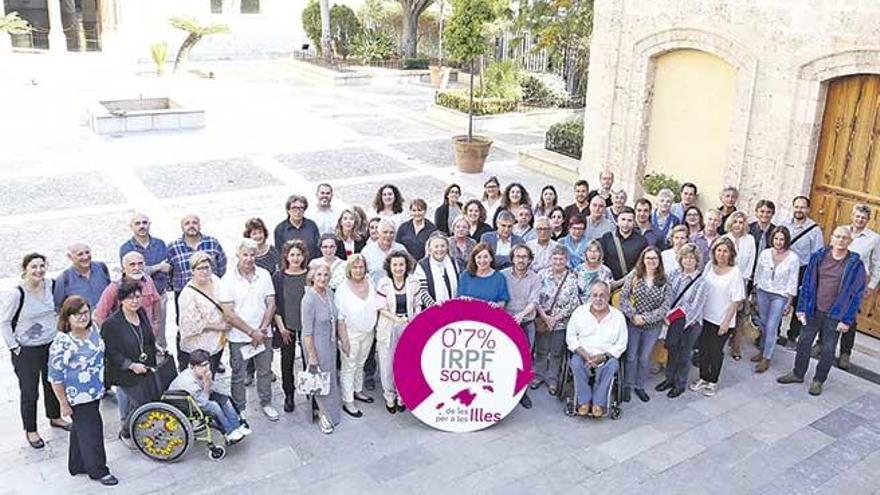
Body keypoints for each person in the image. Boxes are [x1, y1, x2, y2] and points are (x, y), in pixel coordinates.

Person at [778, 226, 867, 396]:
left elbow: (857, 295)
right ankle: (798, 373)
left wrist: (846, 320)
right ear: (832, 238)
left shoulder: (855, 264)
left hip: (835, 314)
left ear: (850, 241)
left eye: (844, 238)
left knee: (828, 349)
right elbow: (807, 284)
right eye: (837, 236)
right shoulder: (819, 257)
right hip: (813, 310)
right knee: (803, 342)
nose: (840, 240)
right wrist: (802, 307)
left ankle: (819, 380)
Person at [1, 253, 69, 449]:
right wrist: (15, 348)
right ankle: (31, 430)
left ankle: (55, 417)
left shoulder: (52, 285)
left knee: (53, 383)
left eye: (41, 266)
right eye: (33, 267)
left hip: (51, 344)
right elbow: (4, 323)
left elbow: (60, 310)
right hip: (27, 350)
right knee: (30, 392)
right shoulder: (17, 294)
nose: (38, 270)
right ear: (25, 269)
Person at [48, 296, 117, 486]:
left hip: (95, 389)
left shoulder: (93, 328)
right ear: (67, 318)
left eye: (86, 312)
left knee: (81, 429)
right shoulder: (61, 344)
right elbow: (55, 377)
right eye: (77, 315)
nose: (83, 317)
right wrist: (63, 404)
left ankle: (77, 464)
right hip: (78, 396)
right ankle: (98, 470)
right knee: (92, 430)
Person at [218, 239, 278, 422]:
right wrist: (252, 333)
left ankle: (266, 403)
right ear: (238, 255)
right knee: (238, 374)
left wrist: (262, 329)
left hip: (263, 333)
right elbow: (229, 314)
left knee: (265, 370)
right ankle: (240, 408)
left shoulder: (265, 274)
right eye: (245, 254)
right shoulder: (227, 280)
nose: (249, 258)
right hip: (239, 337)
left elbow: (271, 303)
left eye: (253, 254)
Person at [101, 280, 157, 443]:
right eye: (130, 298)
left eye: (138, 297)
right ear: (121, 300)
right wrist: (131, 365)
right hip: (124, 371)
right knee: (142, 402)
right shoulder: (111, 324)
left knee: (147, 397)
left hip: (144, 365)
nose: (135, 301)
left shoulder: (141, 313)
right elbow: (110, 351)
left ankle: (137, 424)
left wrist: (156, 347)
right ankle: (126, 432)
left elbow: (146, 337)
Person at [689, 238, 744, 397]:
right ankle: (703, 377)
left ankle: (712, 381)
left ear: (731, 253)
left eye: (725, 251)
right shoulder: (708, 266)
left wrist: (726, 322)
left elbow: (736, 300)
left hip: (722, 319)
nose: (721, 254)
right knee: (704, 349)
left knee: (715, 351)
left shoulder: (735, 272)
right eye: (719, 250)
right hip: (704, 316)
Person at [566, 280, 627, 417]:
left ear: (609, 295)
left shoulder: (618, 317)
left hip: (606, 357)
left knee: (613, 365)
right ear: (590, 296)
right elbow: (570, 338)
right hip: (583, 355)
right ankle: (584, 401)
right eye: (595, 295)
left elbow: (621, 343)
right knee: (574, 362)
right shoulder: (579, 312)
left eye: (602, 295)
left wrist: (604, 356)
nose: (598, 299)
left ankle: (599, 402)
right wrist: (584, 354)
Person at [619, 246, 671, 403]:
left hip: (652, 326)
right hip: (633, 323)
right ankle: (627, 384)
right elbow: (623, 297)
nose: (651, 261)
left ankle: (639, 385)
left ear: (659, 261)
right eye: (648, 258)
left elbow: (665, 306)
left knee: (644, 357)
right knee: (631, 356)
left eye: (654, 258)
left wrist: (646, 318)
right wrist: (633, 316)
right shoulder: (635, 276)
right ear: (643, 259)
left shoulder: (664, 280)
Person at [335, 254, 383, 418]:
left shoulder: (369, 281)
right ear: (349, 269)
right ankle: (348, 400)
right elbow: (339, 317)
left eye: (361, 267)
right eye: (355, 267)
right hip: (350, 334)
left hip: (368, 332)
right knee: (349, 366)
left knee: (360, 363)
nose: (358, 270)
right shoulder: (342, 288)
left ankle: (358, 390)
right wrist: (344, 340)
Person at [657, 244, 707, 398]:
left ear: (697, 260)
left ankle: (680, 383)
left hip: (690, 322)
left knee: (684, 353)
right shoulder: (674, 274)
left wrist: (684, 321)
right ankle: (669, 379)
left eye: (692, 258)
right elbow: (666, 295)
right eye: (685, 257)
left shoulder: (701, 281)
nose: (688, 261)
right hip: (673, 319)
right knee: (672, 349)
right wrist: (667, 315)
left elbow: (696, 306)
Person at [169, 349, 249, 443]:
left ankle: (236, 426)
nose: (206, 368)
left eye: (207, 364)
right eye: (201, 366)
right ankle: (229, 431)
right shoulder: (188, 382)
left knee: (225, 399)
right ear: (192, 366)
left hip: (198, 396)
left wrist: (209, 380)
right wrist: (207, 384)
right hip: (185, 403)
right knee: (214, 406)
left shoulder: (201, 373)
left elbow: (212, 390)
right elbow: (203, 402)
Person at [376, 251, 421, 414]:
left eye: (401, 264)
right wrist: (396, 319)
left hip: (408, 325)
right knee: (387, 363)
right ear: (390, 266)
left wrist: (413, 320)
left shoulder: (413, 282)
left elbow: (417, 305)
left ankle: (403, 395)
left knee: (405, 363)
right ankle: (389, 396)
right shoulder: (383, 283)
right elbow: (380, 308)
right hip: (388, 326)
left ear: (406, 265)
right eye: (395, 264)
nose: (398, 268)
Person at [301, 263, 344, 434]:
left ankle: (331, 412)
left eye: (326, 275)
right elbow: (306, 332)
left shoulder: (329, 293)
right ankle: (323, 415)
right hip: (316, 344)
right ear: (312, 277)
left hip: (330, 343)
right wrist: (311, 355)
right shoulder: (308, 299)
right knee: (319, 381)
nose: (322, 278)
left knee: (330, 378)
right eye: (319, 275)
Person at [119, 212, 170, 356]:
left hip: (158, 294)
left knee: (159, 332)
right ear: (131, 226)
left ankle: (160, 361)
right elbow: (134, 272)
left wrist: (154, 268)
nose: (142, 226)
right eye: (137, 223)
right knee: (137, 333)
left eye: (144, 222)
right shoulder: (126, 248)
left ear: (149, 224)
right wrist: (157, 267)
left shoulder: (159, 244)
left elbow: (166, 267)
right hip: (134, 298)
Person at [837, 204, 880, 369]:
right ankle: (822, 343)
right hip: (836, 279)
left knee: (850, 318)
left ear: (868, 220)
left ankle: (845, 353)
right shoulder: (842, 231)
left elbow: (877, 264)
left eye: (863, 217)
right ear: (852, 216)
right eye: (857, 216)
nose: (860, 220)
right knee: (829, 312)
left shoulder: (874, 239)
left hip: (856, 283)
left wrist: (871, 285)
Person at [532, 246, 580, 396]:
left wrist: (555, 318)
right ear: (550, 259)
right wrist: (545, 317)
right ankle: (538, 375)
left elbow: (574, 303)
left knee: (556, 352)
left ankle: (552, 379)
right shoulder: (541, 275)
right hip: (542, 319)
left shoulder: (572, 277)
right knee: (541, 350)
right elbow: (534, 297)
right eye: (555, 258)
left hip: (561, 322)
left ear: (566, 260)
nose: (558, 262)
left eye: (561, 259)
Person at [752, 226, 799, 373]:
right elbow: (758, 272)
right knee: (764, 324)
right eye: (776, 238)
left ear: (786, 240)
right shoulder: (765, 254)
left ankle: (767, 357)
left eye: (782, 239)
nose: (778, 242)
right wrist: (755, 291)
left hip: (780, 295)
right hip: (763, 292)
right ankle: (763, 350)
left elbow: (793, 280)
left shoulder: (793, 258)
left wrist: (789, 301)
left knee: (772, 326)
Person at [779, 195, 824, 344]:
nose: (799, 210)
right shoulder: (784, 224)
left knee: (799, 304)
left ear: (808, 209)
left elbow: (817, 255)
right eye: (797, 206)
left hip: (802, 271)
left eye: (802, 207)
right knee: (779, 300)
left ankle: (792, 336)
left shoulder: (814, 230)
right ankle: (773, 333)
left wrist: (813, 277)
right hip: (784, 268)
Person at [167, 213, 228, 322]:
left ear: (200, 225)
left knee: (215, 322)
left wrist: (212, 282)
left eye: (194, 222)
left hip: (211, 293)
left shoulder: (212, 242)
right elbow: (168, 272)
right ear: (182, 227)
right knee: (185, 325)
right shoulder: (173, 247)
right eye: (187, 223)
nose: (191, 225)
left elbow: (222, 265)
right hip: (184, 294)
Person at [272, 240, 309, 413]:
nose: (295, 258)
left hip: (307, 328)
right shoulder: (279, 277)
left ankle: (311, 393)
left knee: (309, 361)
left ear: (304, 256)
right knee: (287, 363)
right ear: (286, 256)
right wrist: (281, 328)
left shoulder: (310, 275)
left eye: (299, 254)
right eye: (292, 254)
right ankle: (289, 395)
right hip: (287, 327)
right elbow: (275, 305)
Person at [177, 252, 229, 373]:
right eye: (199, 268)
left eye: (206, 267)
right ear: (192, 270)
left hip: (217, 342)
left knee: (212, 375)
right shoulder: (187, 295)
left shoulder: (216, 281)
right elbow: (189, 326)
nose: (204, 271)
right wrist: (218, 326)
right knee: (200, 379)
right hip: (198, 347)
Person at [94, 252, 162, 345]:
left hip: (147, 335)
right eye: (132, 264)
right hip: (125, 340)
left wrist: (156, 325)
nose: (137, 268)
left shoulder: (148, 280)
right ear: (124, 268)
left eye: (140, 263)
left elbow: (156, 300)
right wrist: (111, 338)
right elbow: (99, 315)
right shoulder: (114, 287)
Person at [502, 244, 541, 409]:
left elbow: (534, 302)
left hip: (526, 322)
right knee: (505, 358)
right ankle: (504, 391)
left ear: (530, 259)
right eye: (518, 256)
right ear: (512, 258)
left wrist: (521, 315)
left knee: (524, 359)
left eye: (524, 257)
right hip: (505, 322)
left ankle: (522, 393)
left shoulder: (535, 278)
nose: (521, 260)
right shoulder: (502, 275)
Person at [722, 211, 756, 360]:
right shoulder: (725, 238)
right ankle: (721, 343)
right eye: (735, 221)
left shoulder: (750, 240)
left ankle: (736, 347)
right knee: (724, 313)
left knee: (739, 315)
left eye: (741, 222)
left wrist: (745, 281)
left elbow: (751, 262)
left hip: (742, 281)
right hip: (726, 281)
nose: (738, 225)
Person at [599, 207, 648, 287]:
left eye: (629, 220)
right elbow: (601, 262)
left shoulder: (641, 241)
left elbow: (642, 265)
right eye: (623, 219)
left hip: (631, 285)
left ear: (634, 222)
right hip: (608, 284)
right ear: (617, 221)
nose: (626, 224)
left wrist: (620, 282)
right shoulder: (607, 237)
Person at [53, 243, 111, 309]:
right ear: (70, 257)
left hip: (107, 317)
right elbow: (58, 307)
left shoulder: (102, 268)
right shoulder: (64, 279)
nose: (85, 257)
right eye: (80, 254)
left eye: (87, 252)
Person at [457, 243, 510, 307]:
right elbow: (459, 297)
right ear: (474, 259)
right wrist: (463, 300)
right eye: (479, 257)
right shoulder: (466, 275)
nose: (482, 261)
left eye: (485, 257)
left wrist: (497, 305)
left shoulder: (499, 277)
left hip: (490, 315)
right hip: (468, 314)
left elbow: (503, 301)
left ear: (491, 258)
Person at [415, 233, 460, 307]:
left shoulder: (453, 262)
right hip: (431, 311)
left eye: (443, 246)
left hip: (454, 308)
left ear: (447, 247)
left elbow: (459, 285)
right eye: (436, 246)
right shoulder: (422, 265)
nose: (440, 249)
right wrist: (435, 307)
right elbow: (422, 292)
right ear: (430, 249)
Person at [274, 195, 320, 262]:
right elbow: (279, 253)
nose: (298, 211)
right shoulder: (280, 229)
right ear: (288, 210)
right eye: (294, 208)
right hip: (290, 269)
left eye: (301, 208)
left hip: (311, 267)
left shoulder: (312, 226)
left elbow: (318, 249)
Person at [748, 200, 777, 282]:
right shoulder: (748, 229)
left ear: (773, 214)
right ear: (756, 212)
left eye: (769, 212)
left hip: (766, 272)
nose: (765, 215)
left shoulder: (776, 232)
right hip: (749, 270)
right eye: (762, 211)